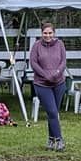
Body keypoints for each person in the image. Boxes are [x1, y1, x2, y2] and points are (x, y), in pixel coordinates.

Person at [29, 22, 68, 151]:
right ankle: (59, 139)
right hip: (42, 84)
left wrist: (57, 73)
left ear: (54, 33)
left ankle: (51, 140)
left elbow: (63, 62)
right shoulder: (36, 46)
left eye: (50, 33)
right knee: (51, 111)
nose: (48, 35)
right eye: (45, 33)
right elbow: (33, 63)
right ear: (41, 33)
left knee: (54, 113)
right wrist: (45, 74)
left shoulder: (60, 44)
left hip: (59, 83)